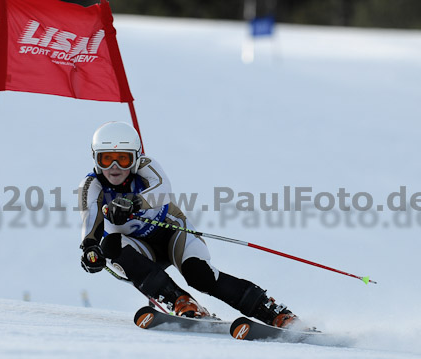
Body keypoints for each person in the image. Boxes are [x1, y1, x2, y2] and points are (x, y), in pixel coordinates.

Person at [78, 121, 297, 328]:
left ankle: (273, 312)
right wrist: (90, 249)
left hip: (171, 234)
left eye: (123, 159)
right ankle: (182, 303)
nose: (114, 167)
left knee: (200, 276)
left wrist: (134, 203)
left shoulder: (147, 166)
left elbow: (163, 189)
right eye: (106, 159)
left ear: (135, 158)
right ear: (95, 159)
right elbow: (91, 219)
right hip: (139, 250)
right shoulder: (92, 185)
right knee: (110, 246)